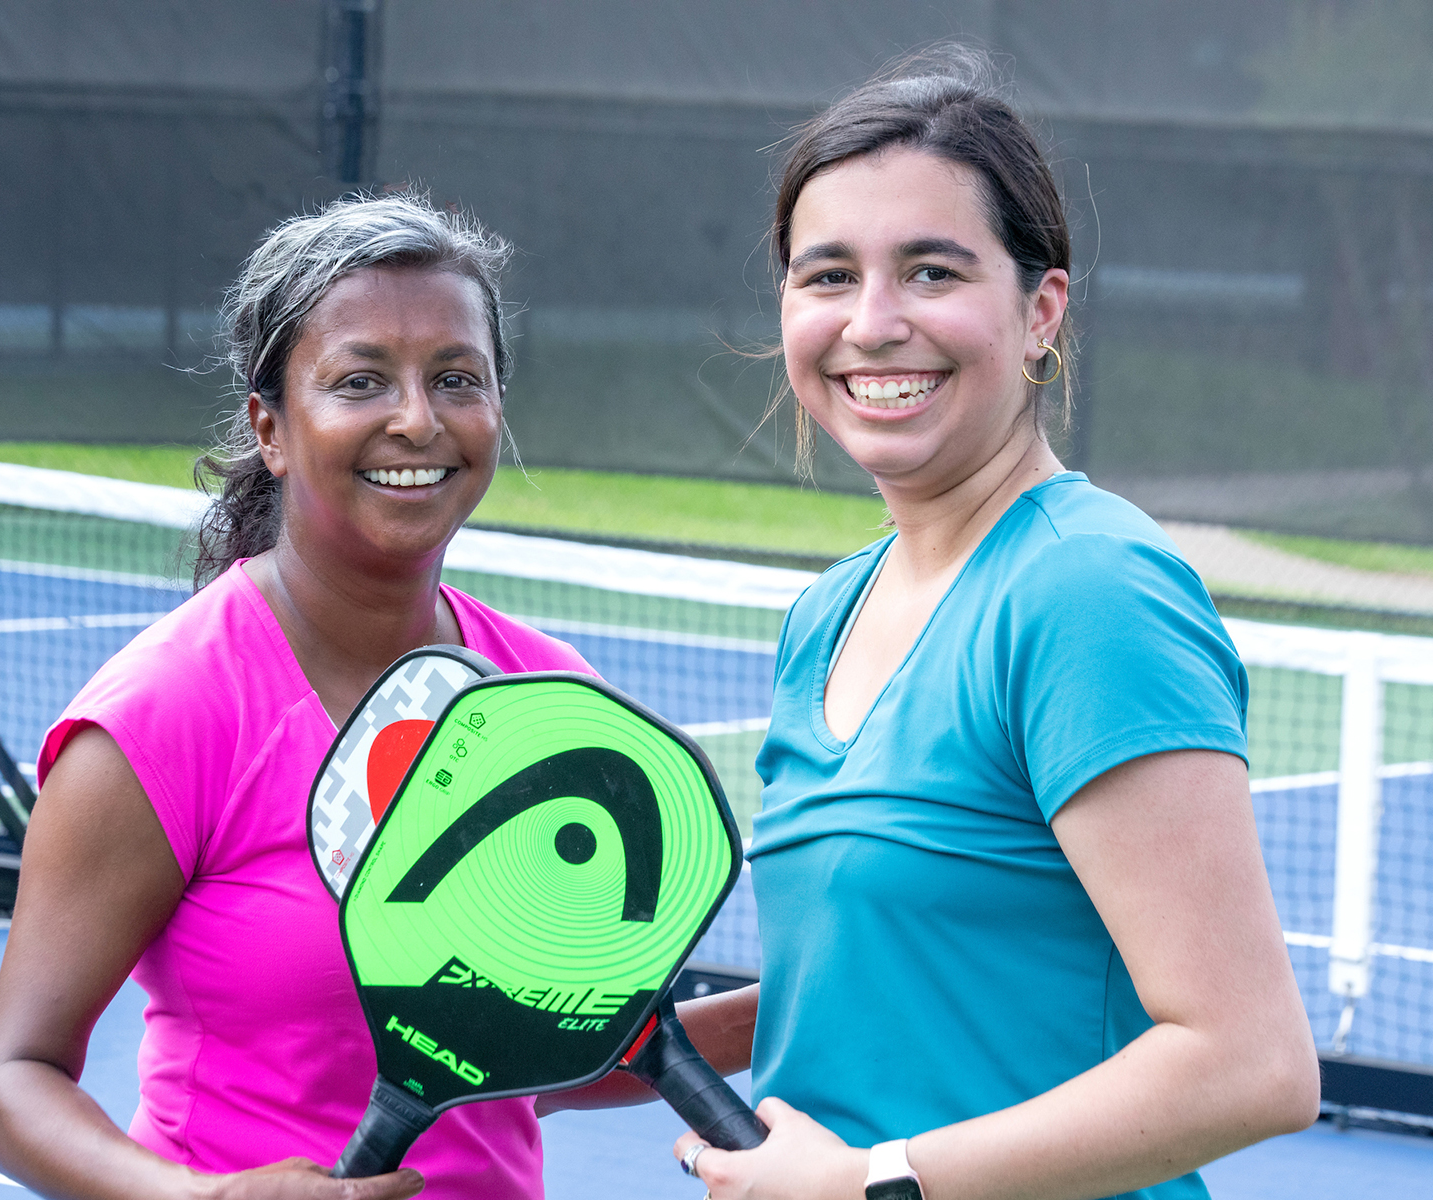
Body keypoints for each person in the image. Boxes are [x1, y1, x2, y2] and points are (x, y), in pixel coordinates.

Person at [550, 49, 1320, 1200]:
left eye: (930, 271)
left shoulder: (1088, 592)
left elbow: (1250, 1065)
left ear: (1041, 311)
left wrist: (872, 1180)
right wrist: (607, 1051)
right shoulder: (826, 615)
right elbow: (905, 967)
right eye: (828, 275)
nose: (873, 323)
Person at [0, 195, 591, 1200]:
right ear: (272, 428)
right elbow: (2, 1087)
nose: (417, 419)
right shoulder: (163, 715)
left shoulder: (551, 695)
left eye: (456, 378)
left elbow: (533, 1054)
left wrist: (789, 1006)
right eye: (360, 380)